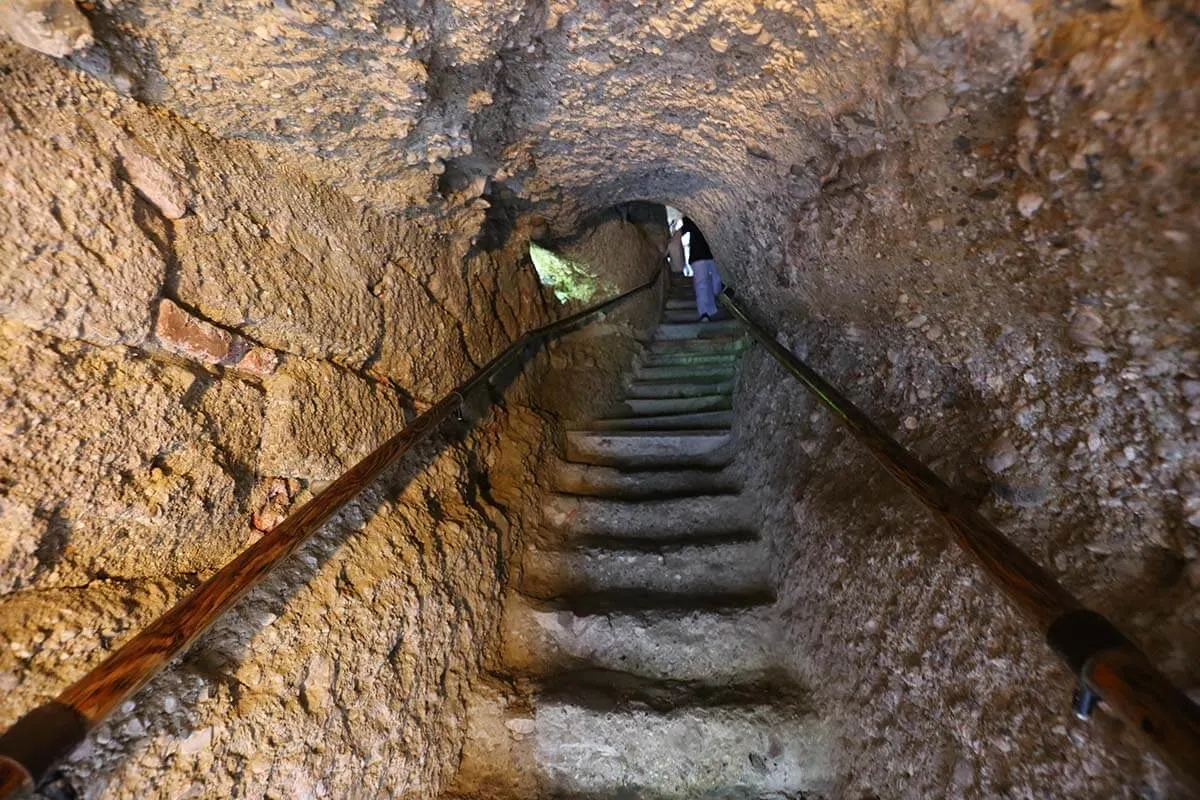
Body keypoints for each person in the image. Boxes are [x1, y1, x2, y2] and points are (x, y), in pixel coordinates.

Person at [679, 216, 723, 321]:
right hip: (707, 254)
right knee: (707, 282)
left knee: (706, 283)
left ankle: (709, 310)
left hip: (702, 255)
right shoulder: (693, 217)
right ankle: (705, 312)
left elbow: (682, 231)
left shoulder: (690, 217)